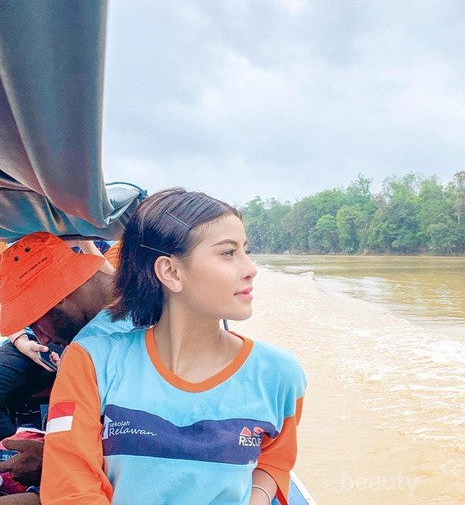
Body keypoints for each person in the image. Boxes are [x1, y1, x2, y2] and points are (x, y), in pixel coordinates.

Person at [40, 188, 307, 505]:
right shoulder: (92, 362)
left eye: (245, 250)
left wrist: (256, 498)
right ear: (171, 272)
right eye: (228, 253)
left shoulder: (279, 374)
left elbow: (274, 459)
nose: (251, 268)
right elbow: (70, 490)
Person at [0, 233, 132, 498]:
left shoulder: (87, 352)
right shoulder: (147, 300)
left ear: (56, 295)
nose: (43, 338)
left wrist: (50, 460)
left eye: (36, 321)